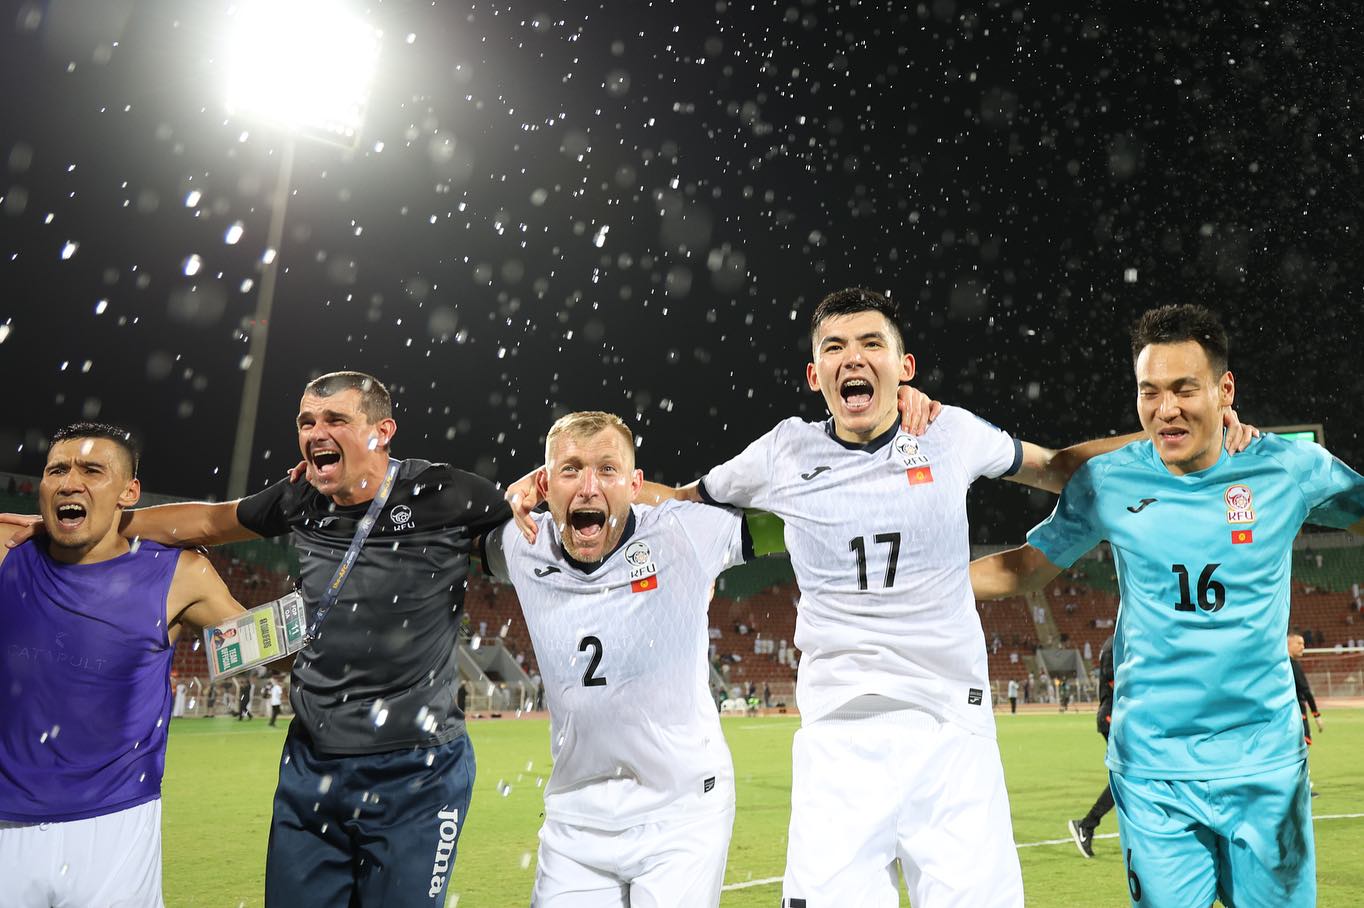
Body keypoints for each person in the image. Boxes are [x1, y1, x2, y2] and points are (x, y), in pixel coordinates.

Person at [507, 289, 1253, 906]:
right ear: (815, 375)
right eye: (834, 347)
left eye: (871, 343)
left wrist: (1183, 437)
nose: (853, 357)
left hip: (950, 730)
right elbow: (678, 503)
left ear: (904, 367)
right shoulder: (784, 451)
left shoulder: (951, 433)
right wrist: (554, 489)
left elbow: (1059, 468)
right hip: (838, 740)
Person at [3, 372, 511, 905]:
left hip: (417, 767)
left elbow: (524, 540)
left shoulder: (445, 493)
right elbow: (210, 522)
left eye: (336, 420)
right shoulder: (301, 496)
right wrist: (87, 523)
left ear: (382, 432)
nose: (316, 432)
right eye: (306, 422)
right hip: (313, 761)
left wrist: (525, 495)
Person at [969, 304, 1364, 907]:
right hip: (1153, 771)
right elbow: (1023, 569)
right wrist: (903, 589)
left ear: (1225, 390)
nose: (1165, 407)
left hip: (1265, 768)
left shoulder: (1287, 467)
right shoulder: (1110, 482)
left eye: (1184, 389)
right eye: (1149, 392)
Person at [484, 411, 762, 907]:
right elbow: (437, 531)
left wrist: (887, 423)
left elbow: (801, 514)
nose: (588, 487)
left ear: (635, 485)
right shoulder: (522, 544)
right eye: (570, 470)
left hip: (682, 812)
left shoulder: (684, 534)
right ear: (545, 484)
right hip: (575, 819)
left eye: (607, 470)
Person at [0, 423, 246, 907]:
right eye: (57, 470)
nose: (70, 482)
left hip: (117, 827)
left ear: (129, 492)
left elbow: (271, 650)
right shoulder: (8, 553)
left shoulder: (180, 576)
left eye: (92, 471)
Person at [1068, 634, 1115, 858]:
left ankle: (1088, 825)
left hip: (1116, 716)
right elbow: (1114, 678)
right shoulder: (1117, 642)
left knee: (1129, 778)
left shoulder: (1117, 640)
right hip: (1113, 717)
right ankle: (1087, 825)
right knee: (1127, 778)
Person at [1288, 634, 1322, 746]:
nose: (1302, 647)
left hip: (1287, 714)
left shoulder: (1282, 665)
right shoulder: (1293, 665)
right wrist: (1316, 715)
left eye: (1303, 644)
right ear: (1288, 645)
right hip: (1297, 713)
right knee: (1302, 748)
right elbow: (1306, 691)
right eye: (1299, 643)